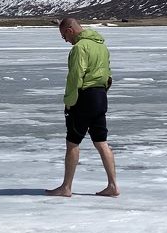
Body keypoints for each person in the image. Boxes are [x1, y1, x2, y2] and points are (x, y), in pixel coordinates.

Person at [45, 18, 119, 198]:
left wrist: (69, 101)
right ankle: (113, 185)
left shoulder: (79, 48)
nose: (65, 40)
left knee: (72, 142)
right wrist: (101, 93)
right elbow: (108, 74)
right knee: (101, 141)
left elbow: (75, 77)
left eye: (64, 36)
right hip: (100, 96)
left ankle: (66, 187)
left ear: (70, 30)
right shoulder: (101, 46)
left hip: (84, 97)